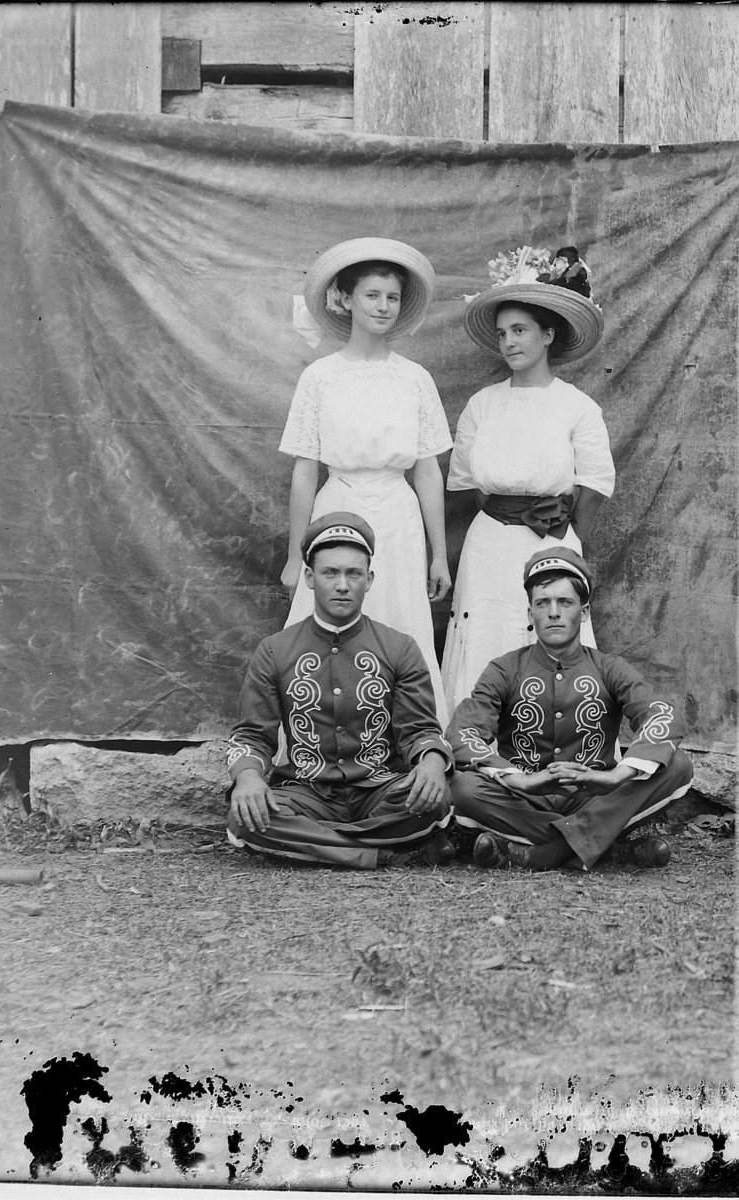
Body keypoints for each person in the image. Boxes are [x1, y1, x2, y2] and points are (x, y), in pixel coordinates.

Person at [279, 237, 452, 725]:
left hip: (398, 515)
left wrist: (439, 555)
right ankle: (322, 735)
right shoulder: (320, 377)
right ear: (346, 299)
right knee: (330, 624)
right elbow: (305, 470)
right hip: (337, 509)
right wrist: (294, 557)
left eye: (392, 297)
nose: (383, 307)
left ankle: (409, 739)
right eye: (372, 295)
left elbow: (427, 470)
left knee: (400, 619)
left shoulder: (414, 378)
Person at [440, 243, 615, 714]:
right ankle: (475, 735)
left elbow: (595, 484)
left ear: (548, 335)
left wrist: (565, 537)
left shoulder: (576, 406)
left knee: (547, 631)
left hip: (551, 542)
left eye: (520, 331)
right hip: (488, 543)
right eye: (502, 333)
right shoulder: (482, 404)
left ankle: (551, 733)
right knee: (486, 631)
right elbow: (470, 485)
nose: (509, 343)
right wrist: (505, 517)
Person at [227, 512, 455, 869]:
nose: (343, 585)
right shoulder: (275, 650)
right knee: (245, 817)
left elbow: (420, 730)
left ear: (370, 580)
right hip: (305, 792)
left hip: (380, 790)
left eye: (354, 573)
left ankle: (320, 843)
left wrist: (431, 763)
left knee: (433, 800)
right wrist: (247, 777)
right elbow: (252, 736)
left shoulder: (399, 648)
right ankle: (378, 851)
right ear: (310, 578)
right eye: (330, 573)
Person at [446, 547, 694, 872]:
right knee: (460, 786)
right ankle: (606, 846)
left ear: (584, 611)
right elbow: (463, 732)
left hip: (595, 798)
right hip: (525, 802)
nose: (554, 613)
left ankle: (547, 853)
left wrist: (614, 776)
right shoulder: (504, 669)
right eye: (542, 603)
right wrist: (519, 780)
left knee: (678, 765)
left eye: (565, 602)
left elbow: (663, 715)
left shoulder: (609, 667)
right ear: (530, 614)